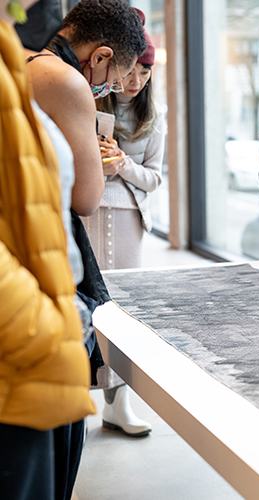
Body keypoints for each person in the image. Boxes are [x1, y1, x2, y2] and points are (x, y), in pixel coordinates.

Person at [22, 1, 147, 497]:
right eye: (113, 80)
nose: (109, 90)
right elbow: (87, 197)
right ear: (99, 57)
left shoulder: (28, 64)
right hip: (47, 262)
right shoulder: (67, 82)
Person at [0, 1, 96, 498]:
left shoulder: (14, 57)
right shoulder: (60, 78)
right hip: (18, 359)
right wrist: (45, 326)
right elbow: (88, 195)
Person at [82, 8, 163, 437]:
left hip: (130, 217)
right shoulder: (93, 99)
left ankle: (119, 403)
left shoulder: (155, 116)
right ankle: (79, 396)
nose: (137, 81)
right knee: (87, 305)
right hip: (88, 213)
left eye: (146, 73)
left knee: (124, 312)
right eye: (133, 72)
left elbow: (154, 178)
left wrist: (123, 164)